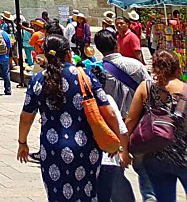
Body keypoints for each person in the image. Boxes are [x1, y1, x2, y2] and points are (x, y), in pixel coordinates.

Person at [18, 34, 119, 202]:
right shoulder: (85, 76)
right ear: (68, 54)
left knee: (57, 195)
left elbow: (26, 116)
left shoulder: (39, 79)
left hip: (53, 149)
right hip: (86, 147)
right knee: (87, 193)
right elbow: (108, 111)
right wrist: (115, 139)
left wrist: (22, 142)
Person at [92, 28, 154, 202]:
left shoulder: (97, 70)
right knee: (146, 173)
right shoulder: (136, 65)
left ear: (98, 48)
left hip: (113, 129)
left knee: (115, 172)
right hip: (140, 126)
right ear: (116, 43)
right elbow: (151, 92)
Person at [125, 50, 187, 202]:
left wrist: (124, 149)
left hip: (155, 156)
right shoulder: (185, 89)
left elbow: (130, 120)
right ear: (178, 69)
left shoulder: (145, 88)